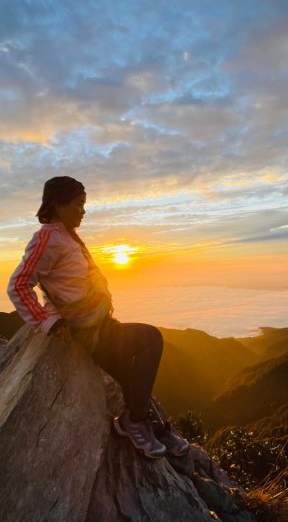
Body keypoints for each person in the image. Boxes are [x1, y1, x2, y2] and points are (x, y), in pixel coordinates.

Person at [7, 176, 189, 460]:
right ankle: (135, 422)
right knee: (151, 339)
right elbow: (18, 284)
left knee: (130, 375)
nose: (83, 211)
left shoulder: (66, 235)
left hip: (98, 324)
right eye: (79, 204)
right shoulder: (47, 238)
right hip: (84, 331)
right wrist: (49, 322)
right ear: (58, 203)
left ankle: (153, 425)